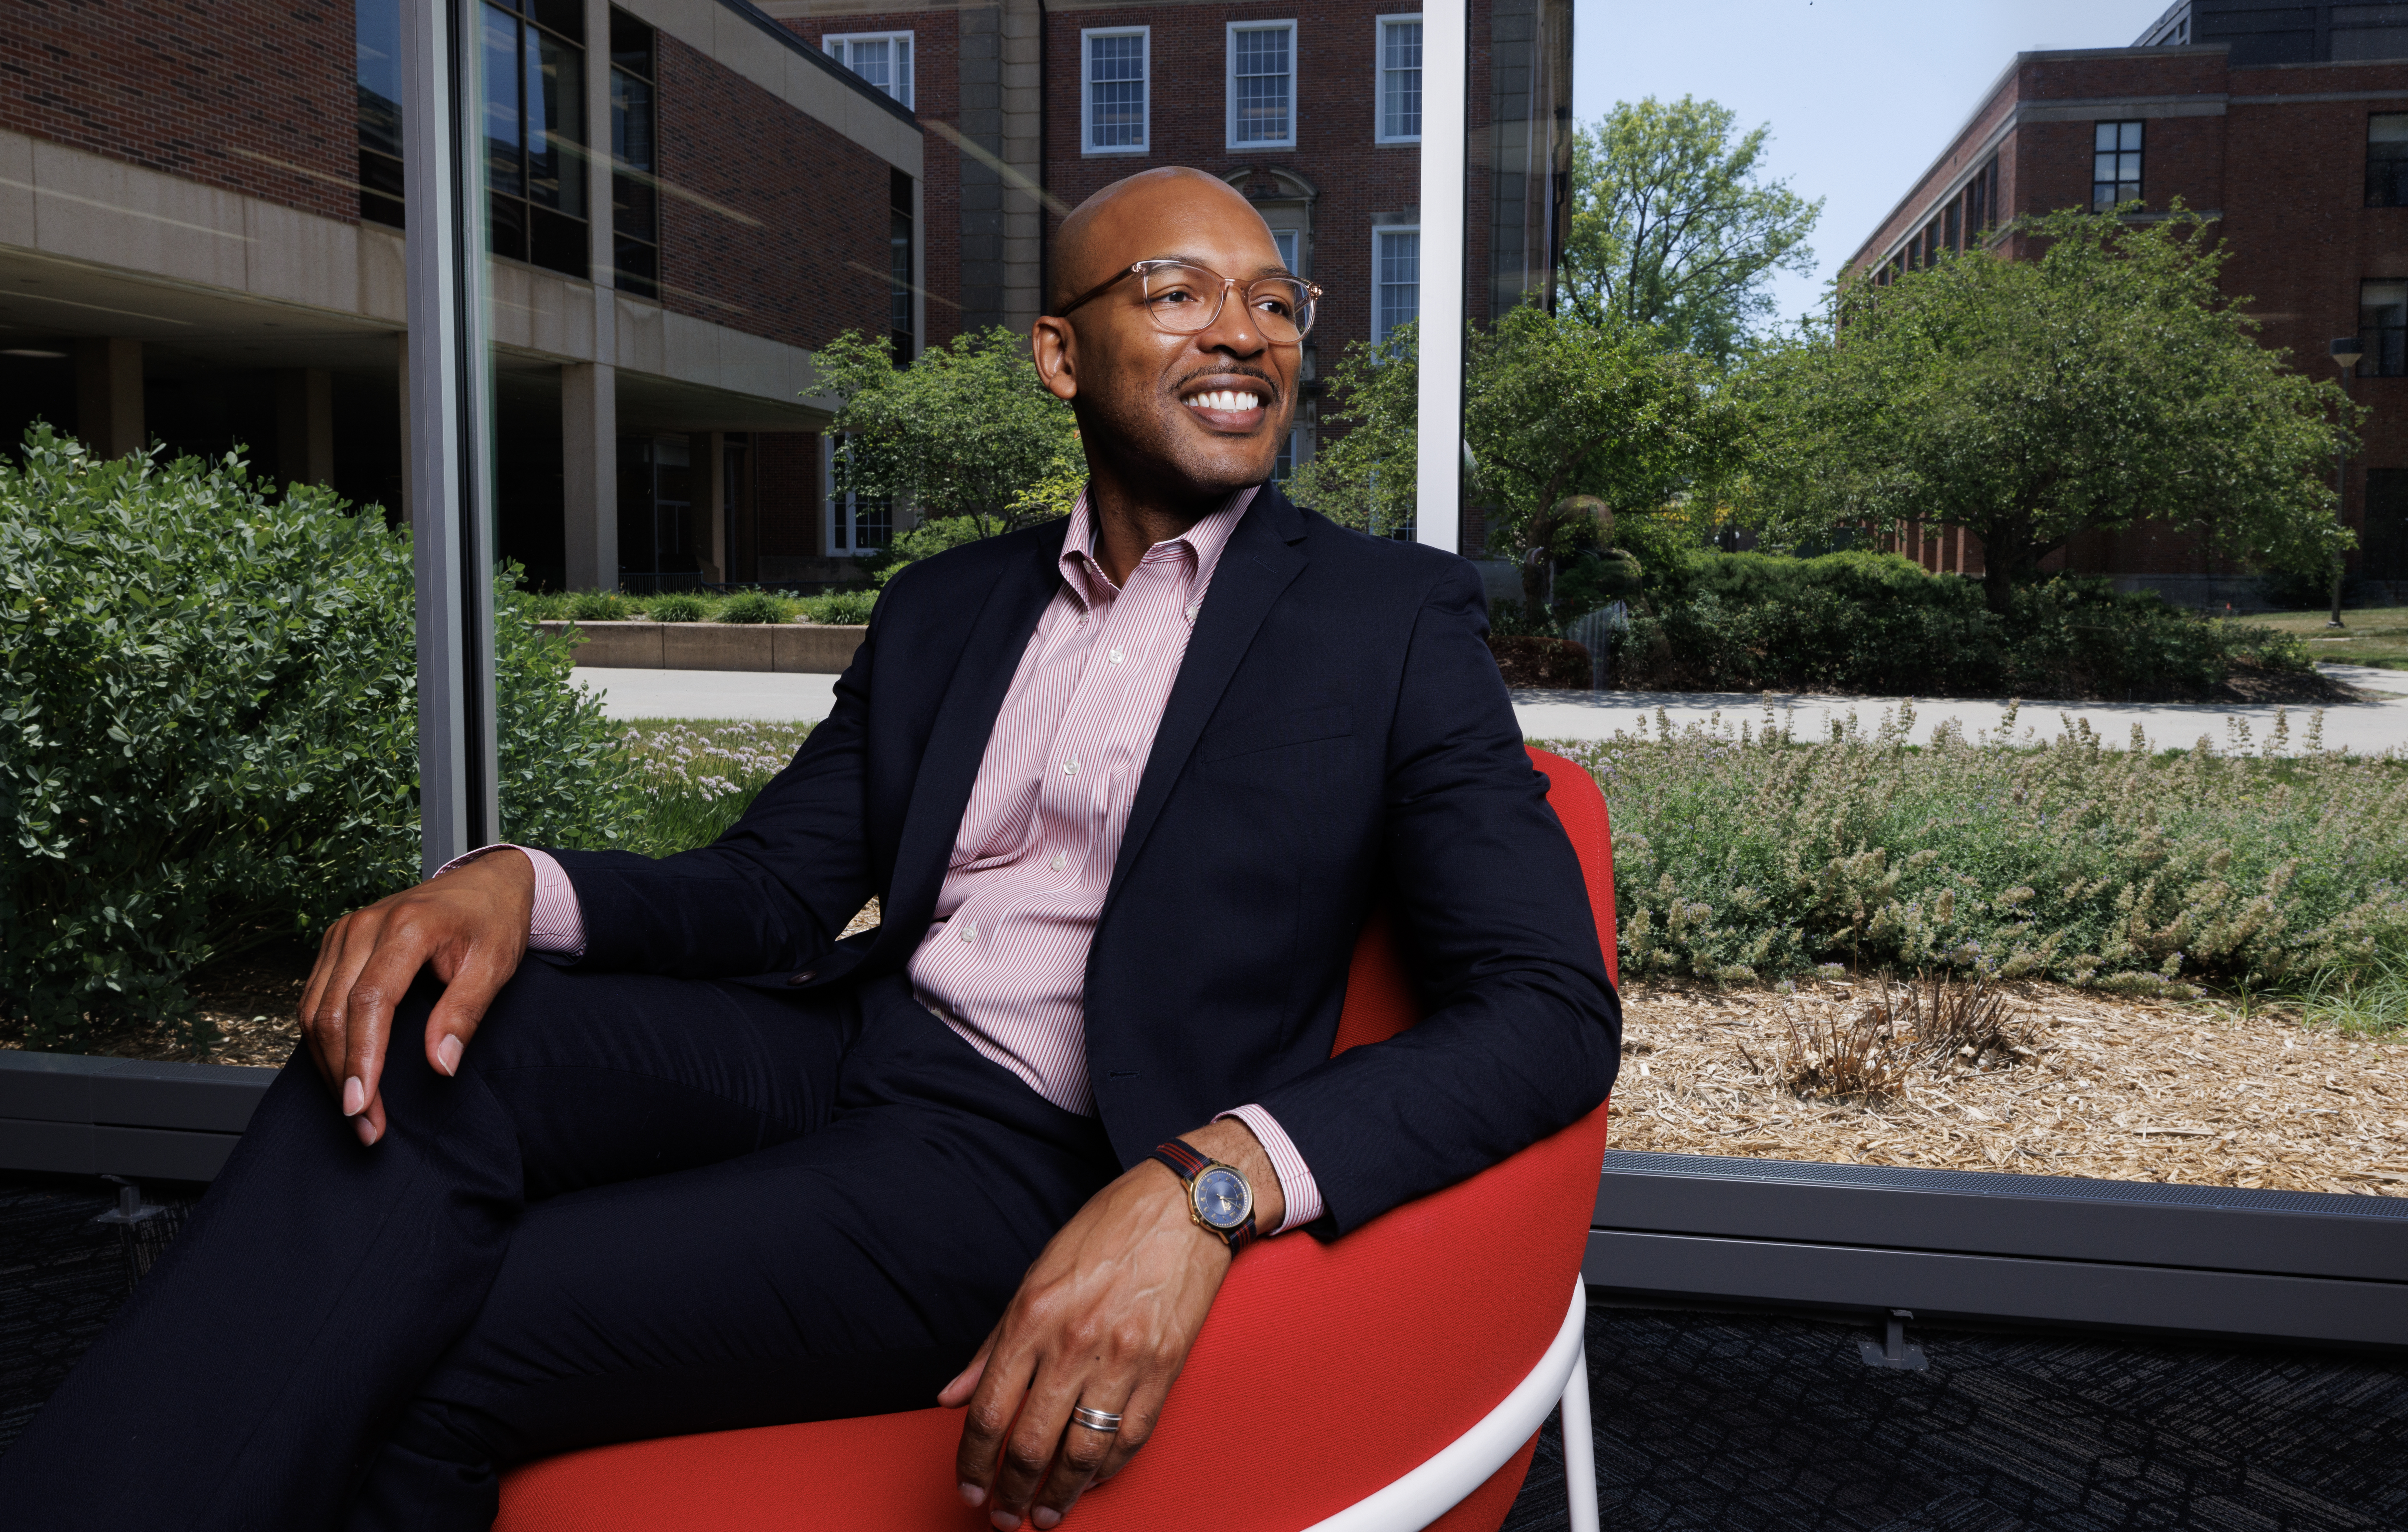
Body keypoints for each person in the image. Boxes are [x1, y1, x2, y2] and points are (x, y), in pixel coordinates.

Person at [0, 167, 1618, 1532]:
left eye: (1276, 301)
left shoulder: (1388, 618)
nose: (1245, 335)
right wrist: (513, 880)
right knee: (432, 1058)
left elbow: (1549, 1005)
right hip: (840, 1038)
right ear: (1061, 354)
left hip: (1023, 1154)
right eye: (1179, 293)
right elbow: (767, 889)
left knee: (452, 1316)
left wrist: (1210, 1181)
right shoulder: (946, 608)